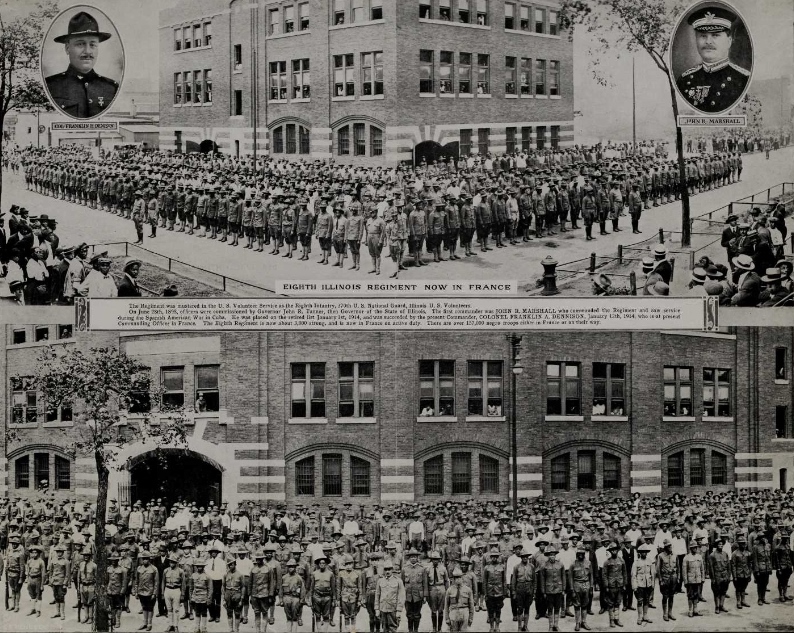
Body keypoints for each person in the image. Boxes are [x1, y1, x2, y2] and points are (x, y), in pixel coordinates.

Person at [675, 6, 750, 114]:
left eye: (715, 35)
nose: (708, 41)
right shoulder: (684, 81)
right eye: (703, 36)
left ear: (729, 41)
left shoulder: (743, 79)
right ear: (696, 40)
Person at [44, 11, 119, 119]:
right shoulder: (50, 86)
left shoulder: (112, 88)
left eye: (93, 45)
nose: (88, 51)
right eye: (80, 44)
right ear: (67, 48)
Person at [375, 561, 405, 633]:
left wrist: (399, 610)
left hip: (393, 609)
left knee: (393, 628)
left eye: (389, 569)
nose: (387, 571)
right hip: (383, 609)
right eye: (386, 569)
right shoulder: (380, 581)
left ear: (392, 570)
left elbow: (401, 596)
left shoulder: (398, 581)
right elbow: (377, 595)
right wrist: (377, 609)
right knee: (385, 628)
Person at [445, 567, 475, 632]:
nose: (458, 580)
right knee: (454, 630)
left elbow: (471, 605)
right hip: (453, 613)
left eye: (459, 578)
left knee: (464, 631)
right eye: (456, 578)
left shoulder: (468, 590)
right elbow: (446, 605)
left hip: (464, 612)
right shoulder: (449, 590)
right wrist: (447, 618)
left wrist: (471, 618)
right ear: (453, 579)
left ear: (462, 578)